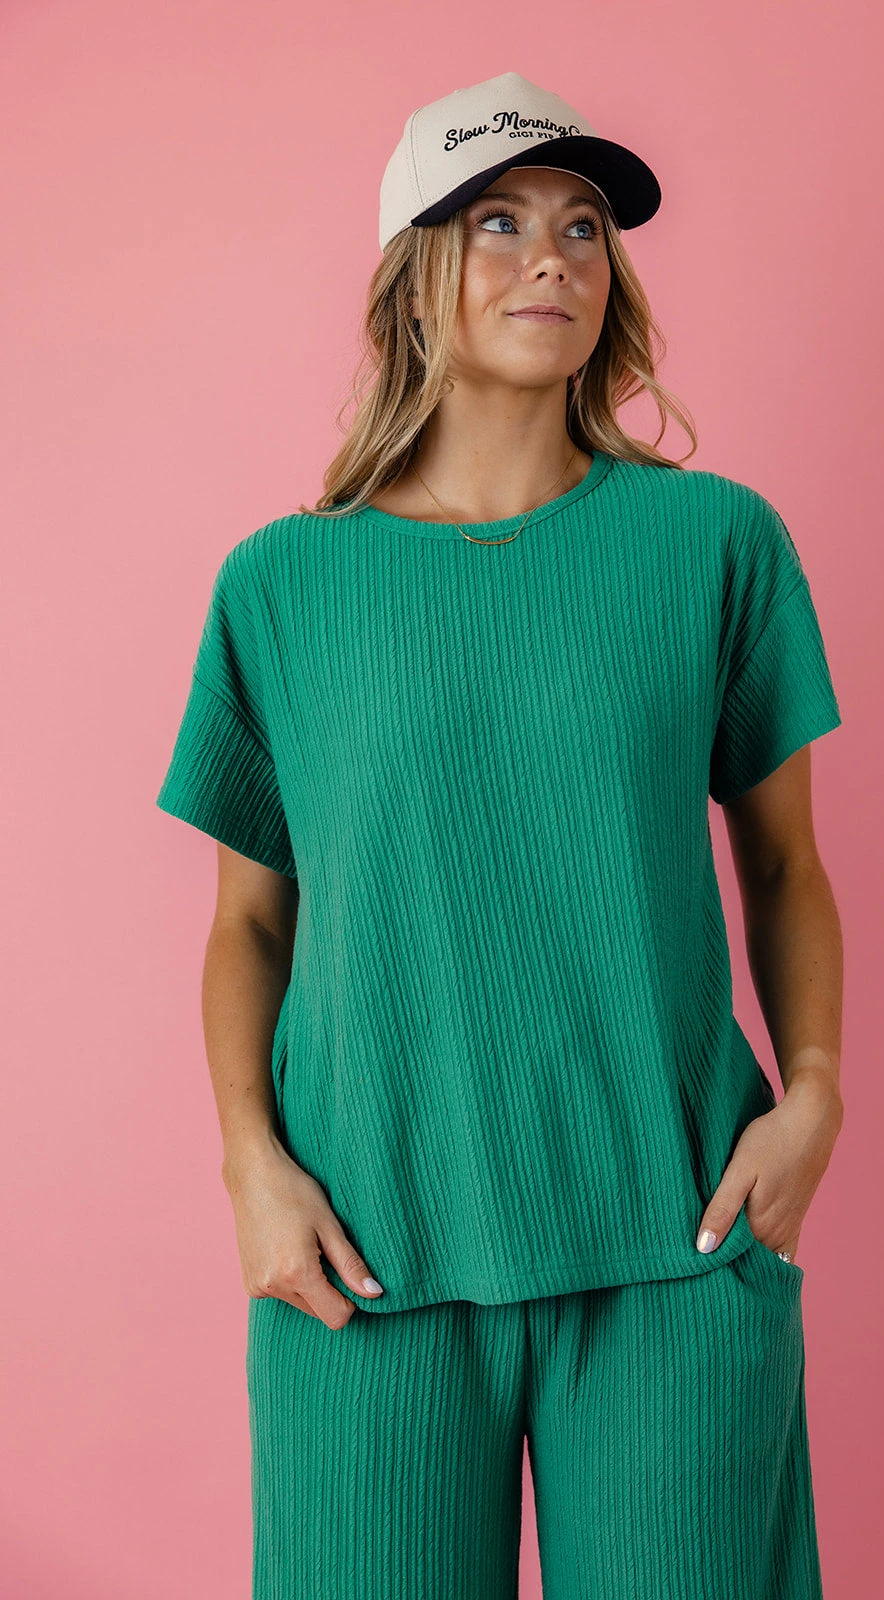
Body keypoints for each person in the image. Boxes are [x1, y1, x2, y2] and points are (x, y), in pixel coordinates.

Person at [156, 70, 844, 1600]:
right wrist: (250, 1166)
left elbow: (786, 864)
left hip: (676, 1241)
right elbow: (249, 922)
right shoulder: (281, 585)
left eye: (582, 226)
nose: (552, 259)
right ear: (414, 276)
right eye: (497, 223)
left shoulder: (713, 544)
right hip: (361, 1261)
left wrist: (812, 1095)